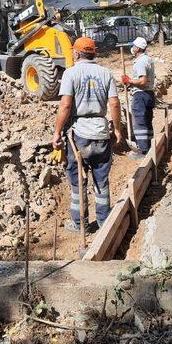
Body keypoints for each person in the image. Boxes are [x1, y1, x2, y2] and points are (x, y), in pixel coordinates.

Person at [52, 37, 123, 232]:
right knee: (101, 178)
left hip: (80, 134)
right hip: (101, 131)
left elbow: (66, 105)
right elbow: (114, 104)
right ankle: (104, 221)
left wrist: (57, 132)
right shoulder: (105, 73)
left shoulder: (70, 73)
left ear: (76, 53)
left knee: (78, 180)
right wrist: (117, 129)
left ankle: (79, 223)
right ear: (94, 52)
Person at [122, 37, 155, 159]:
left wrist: (129, 80)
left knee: (140, 122)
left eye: (134, 46)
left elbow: (142, 81)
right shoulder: (148, 59)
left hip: (141, 94)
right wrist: (130, 83)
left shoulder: (140, 61)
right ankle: (150, 145)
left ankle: (143, 150)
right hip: (149, 94)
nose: (132, 48)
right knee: (147, 120)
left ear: (138, 48)